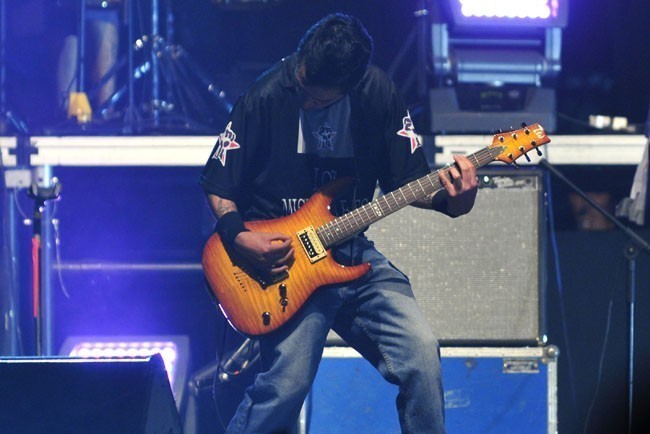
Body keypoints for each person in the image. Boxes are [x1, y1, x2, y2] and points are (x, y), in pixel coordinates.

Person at [200, 13, 478, 433]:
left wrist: (456, 201)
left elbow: (408, 183)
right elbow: (218, 184)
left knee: (422, 354)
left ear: (351, 85)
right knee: (286, 386)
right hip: (285, 267)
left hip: (351, 254)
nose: (304, 100)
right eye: (302, 84)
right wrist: (239, 238)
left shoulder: (377, 94)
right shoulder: (267, 94)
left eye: (316, 99)